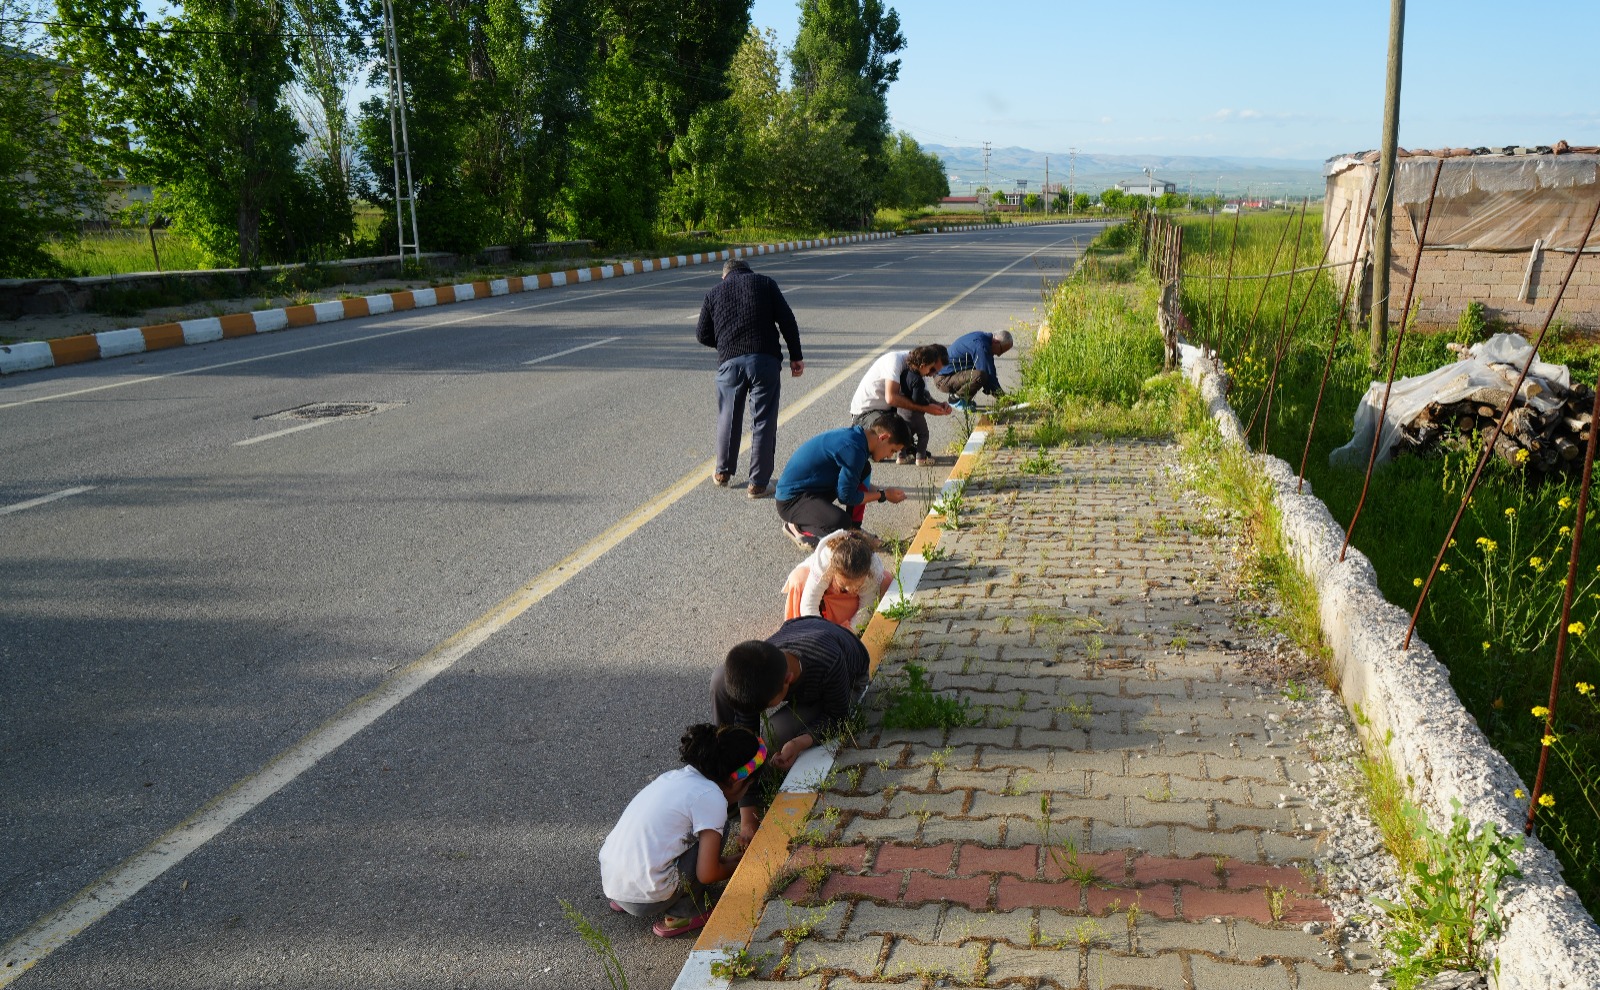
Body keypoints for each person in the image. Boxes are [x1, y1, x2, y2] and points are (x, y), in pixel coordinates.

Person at [598, 723, 764, 938]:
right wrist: (743, 869)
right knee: (720, 827)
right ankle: (684, 912)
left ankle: (630, 896)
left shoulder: (675, 777)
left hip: (613, 884)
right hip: (648, 900)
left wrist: (736, 859)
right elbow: (707, 874)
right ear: (739, 781)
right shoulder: (711, 798)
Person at [711, 616, 870, 839]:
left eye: (765, 706)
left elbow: (837, 717)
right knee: (722, 681)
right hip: (806, 630)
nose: (760, 712)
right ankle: (727, 777)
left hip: (847, 682)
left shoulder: (829, 663)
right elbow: (748, 733)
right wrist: (749, 815)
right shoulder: (764, 661)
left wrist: (800, 742)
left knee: (772, 736)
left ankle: (743, 785)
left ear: (788, 679)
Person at [696, 258, 804, 499]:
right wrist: (796, 356)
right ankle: (758, 483)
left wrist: (725, 344)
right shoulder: (765, 284)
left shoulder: (713, 293)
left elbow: (702, 333)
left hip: (729, 364)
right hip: (764, 361)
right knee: (763, 420)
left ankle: (722, 472)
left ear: (725, 276)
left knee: (728, 416)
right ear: (748, 271)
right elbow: (787, 320)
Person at [774, 412, 912, 550]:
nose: (890, 456)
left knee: (864, 469)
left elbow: (853, 484)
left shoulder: (859, 438)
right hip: (791, 501)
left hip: (811, 489)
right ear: (883, 438)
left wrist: (884, 492)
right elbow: (847, 496)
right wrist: (884, 495)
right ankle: (797, 526)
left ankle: (855, 530)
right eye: (892, 450)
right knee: (840, 522)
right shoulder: (854, 449)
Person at [848, 343, 951, 466]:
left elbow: (924, 396)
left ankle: (905, 446)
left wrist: (939, 405)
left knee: (903, 433)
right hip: (866, 412)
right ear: (926, 361)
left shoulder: (920, 369)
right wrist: (927, 408)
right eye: (932, 369)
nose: (931, 374)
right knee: (884, 445)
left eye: (935, 372)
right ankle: (864, 440)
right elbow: (891, 398)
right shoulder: (895, 360)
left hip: (887, 411)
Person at [781, 529, 892, 629]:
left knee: (887, 581)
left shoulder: (871, 572)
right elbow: (809, 604)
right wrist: (822, 631)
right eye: (844, 585)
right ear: (834, 570)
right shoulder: (825, 562)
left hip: (848, 602)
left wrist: (851, 630)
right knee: (798, 578)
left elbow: (866, 606)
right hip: (827, 595)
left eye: (857, 586)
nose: (851, 589)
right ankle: (798, 629)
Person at [935, 330, 1013, 409]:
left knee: (980, 369)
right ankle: (955, 399)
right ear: (996, 342)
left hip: (949, 374)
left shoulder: (982, 338)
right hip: (943, 379)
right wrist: (1003, 399)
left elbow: (990, 368)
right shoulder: (981, 346)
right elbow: (989, 376)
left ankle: (959, 395)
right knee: (980, 376)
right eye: (1001, 350)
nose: (999, 355)